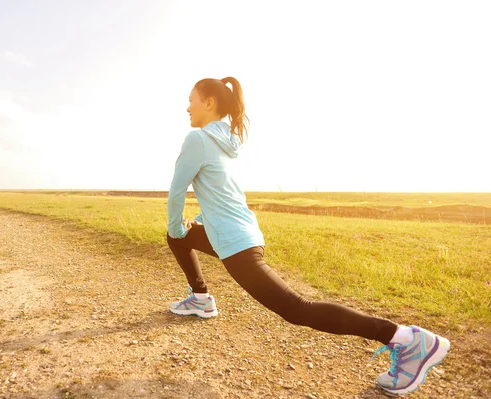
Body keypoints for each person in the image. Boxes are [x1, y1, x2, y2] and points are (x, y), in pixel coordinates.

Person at [165, 76, 451, 396]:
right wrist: (189, 228)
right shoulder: (227, 141)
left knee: (297, 309)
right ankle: (201, 299)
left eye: (191, 99)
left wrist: (177, 226)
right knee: (178, 237)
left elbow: (176, 193)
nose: (186, 106)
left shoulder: (197, 139)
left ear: (209, 102)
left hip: (236, 244)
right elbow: (221, 192)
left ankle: (408, 339)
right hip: (246, 232)